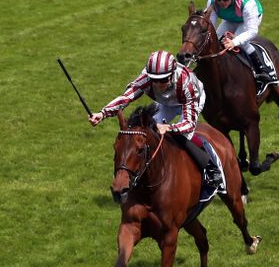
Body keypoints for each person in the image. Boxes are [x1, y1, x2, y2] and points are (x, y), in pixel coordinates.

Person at [88, 50, 224, 192]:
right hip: (166, 102)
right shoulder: (146, 78)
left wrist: (169, 128)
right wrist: (102, 113)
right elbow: (126, 97)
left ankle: (212, 166)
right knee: (148, 132)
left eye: (163, 80)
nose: (159, 85)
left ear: (172, 74)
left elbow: (189, 124)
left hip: (190, 100)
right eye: (155, 80)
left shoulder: (187, 84)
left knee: (184, 136)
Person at [203, 0, 275, 88]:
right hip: (230, 19)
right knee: (215, 40)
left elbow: (252, 31)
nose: (221, 1)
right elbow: (209, 26)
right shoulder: (212, 2)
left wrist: (234, 42)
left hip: (248, 20)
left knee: (242, 43)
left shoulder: (248, 4)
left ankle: (263, 70)